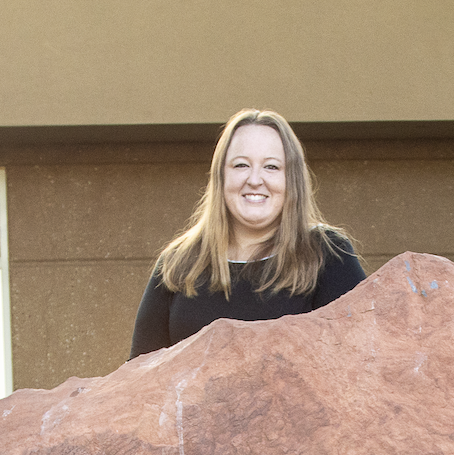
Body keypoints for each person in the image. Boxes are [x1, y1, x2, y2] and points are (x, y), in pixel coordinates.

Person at [130, 108, 365, 358]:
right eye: (241, 165)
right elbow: (136, 374)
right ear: (221, 176)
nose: (255, 179)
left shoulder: (326, 254)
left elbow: (365, 359)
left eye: (271, 167)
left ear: (292, 179)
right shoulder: (179, 263)